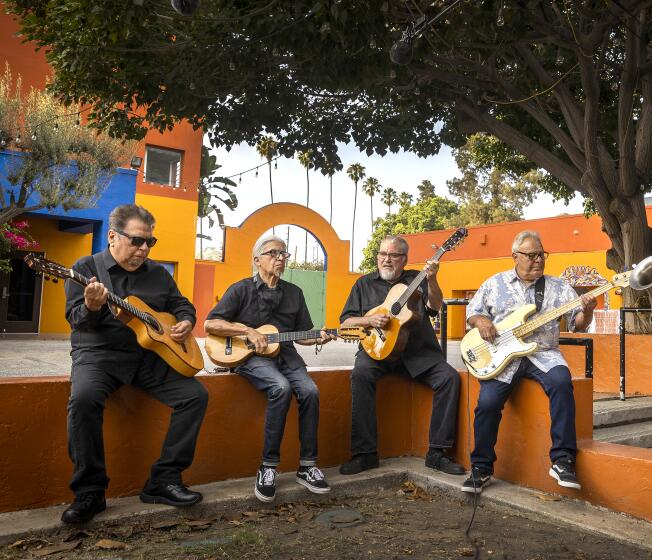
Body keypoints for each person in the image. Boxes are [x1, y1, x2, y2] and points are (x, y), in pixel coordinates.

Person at [62, 204, 209, 524]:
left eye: (149, 243)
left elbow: (181, 304)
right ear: (113, 237)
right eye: (137, 241)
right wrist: (90, 306)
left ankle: (164, 480)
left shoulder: (157, 273)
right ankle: (90, 492)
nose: (144, 249)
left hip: (148, 357)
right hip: (98, 355)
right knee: (84, 399)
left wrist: (185, 320)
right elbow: (76, 321)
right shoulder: (85, 269)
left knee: (195, 396)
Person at [461, 230, 595, 494]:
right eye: (531, 255)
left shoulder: (559, 287)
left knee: (561, 383)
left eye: (541, 255)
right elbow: (472, 313)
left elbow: (578, 325)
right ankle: (481, 467)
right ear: (515, 256)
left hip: (543, 352)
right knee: (487, 404)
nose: (538, 260)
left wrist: (587, 309)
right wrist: (482, 321)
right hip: (502, 356)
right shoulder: (494, 283)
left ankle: (562, 460)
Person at [205, 236, 335, 502]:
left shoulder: (294, 293)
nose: (280, 258)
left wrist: (320, 336)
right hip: (249, 358)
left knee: (310, 391)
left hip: (286, 356)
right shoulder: (240, 290)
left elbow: (302, 335)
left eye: (284, 254)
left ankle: (308, 467)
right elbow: (211, 325)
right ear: (257, 260)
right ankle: (268, 467)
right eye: (273, 253)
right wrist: (246, 330)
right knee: (281, 388)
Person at [339, 235, 464, 476]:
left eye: (393, 255)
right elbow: (346, 323)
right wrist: (369, 319)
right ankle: (365, 454)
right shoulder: (363, 284)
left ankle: (437, 453)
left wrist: (432, 278)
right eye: (382, 254)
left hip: (418, 353)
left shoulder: (417, 279)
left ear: (404, 259)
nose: (386, 260)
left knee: (449, 378)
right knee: (360, 375)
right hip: (378, 351)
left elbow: (435, 307)